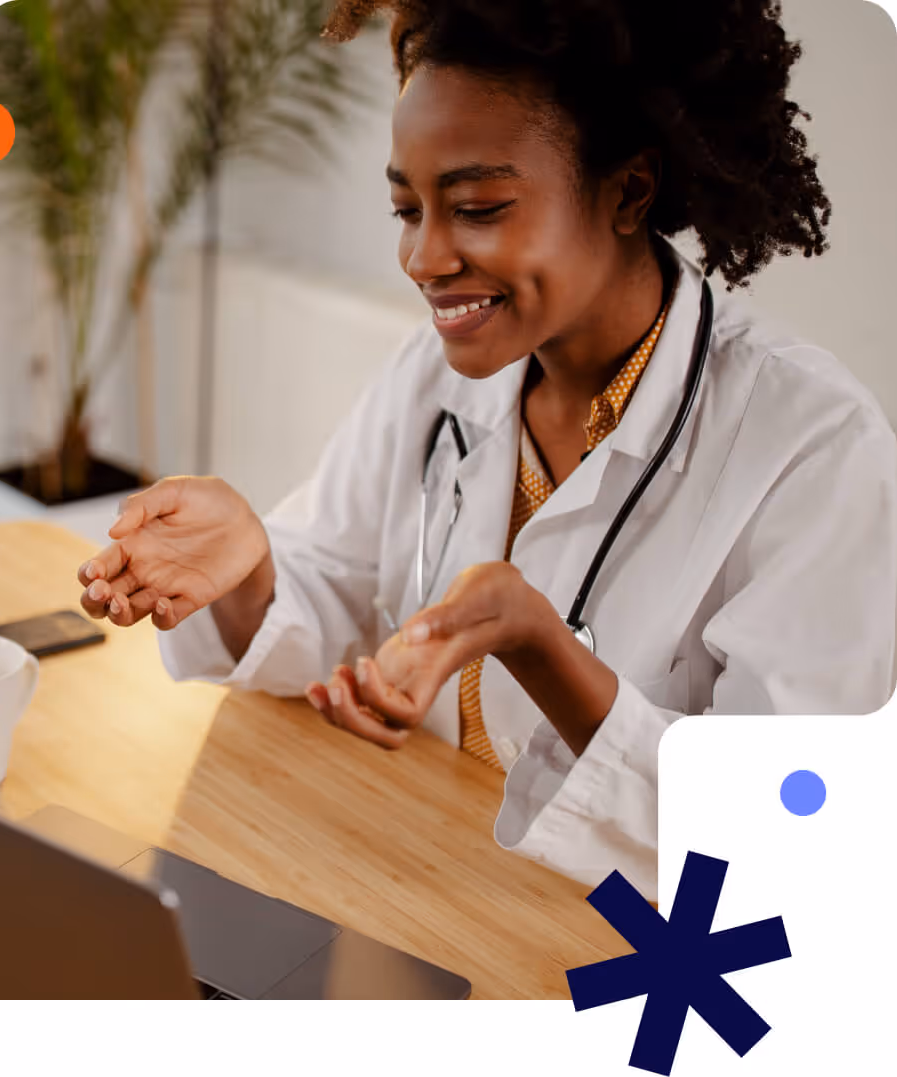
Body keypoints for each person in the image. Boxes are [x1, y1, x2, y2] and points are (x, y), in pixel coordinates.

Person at [75, 0, 897, 899]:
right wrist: (250, 571)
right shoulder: (437, 374)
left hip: (629, 960)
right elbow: (338, 600)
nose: (423, 258)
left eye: (476, 207)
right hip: (415, 883)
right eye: (406, 208)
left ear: (628, 191)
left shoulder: (815, 449)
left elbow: (791, 826)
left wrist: (542, 649)